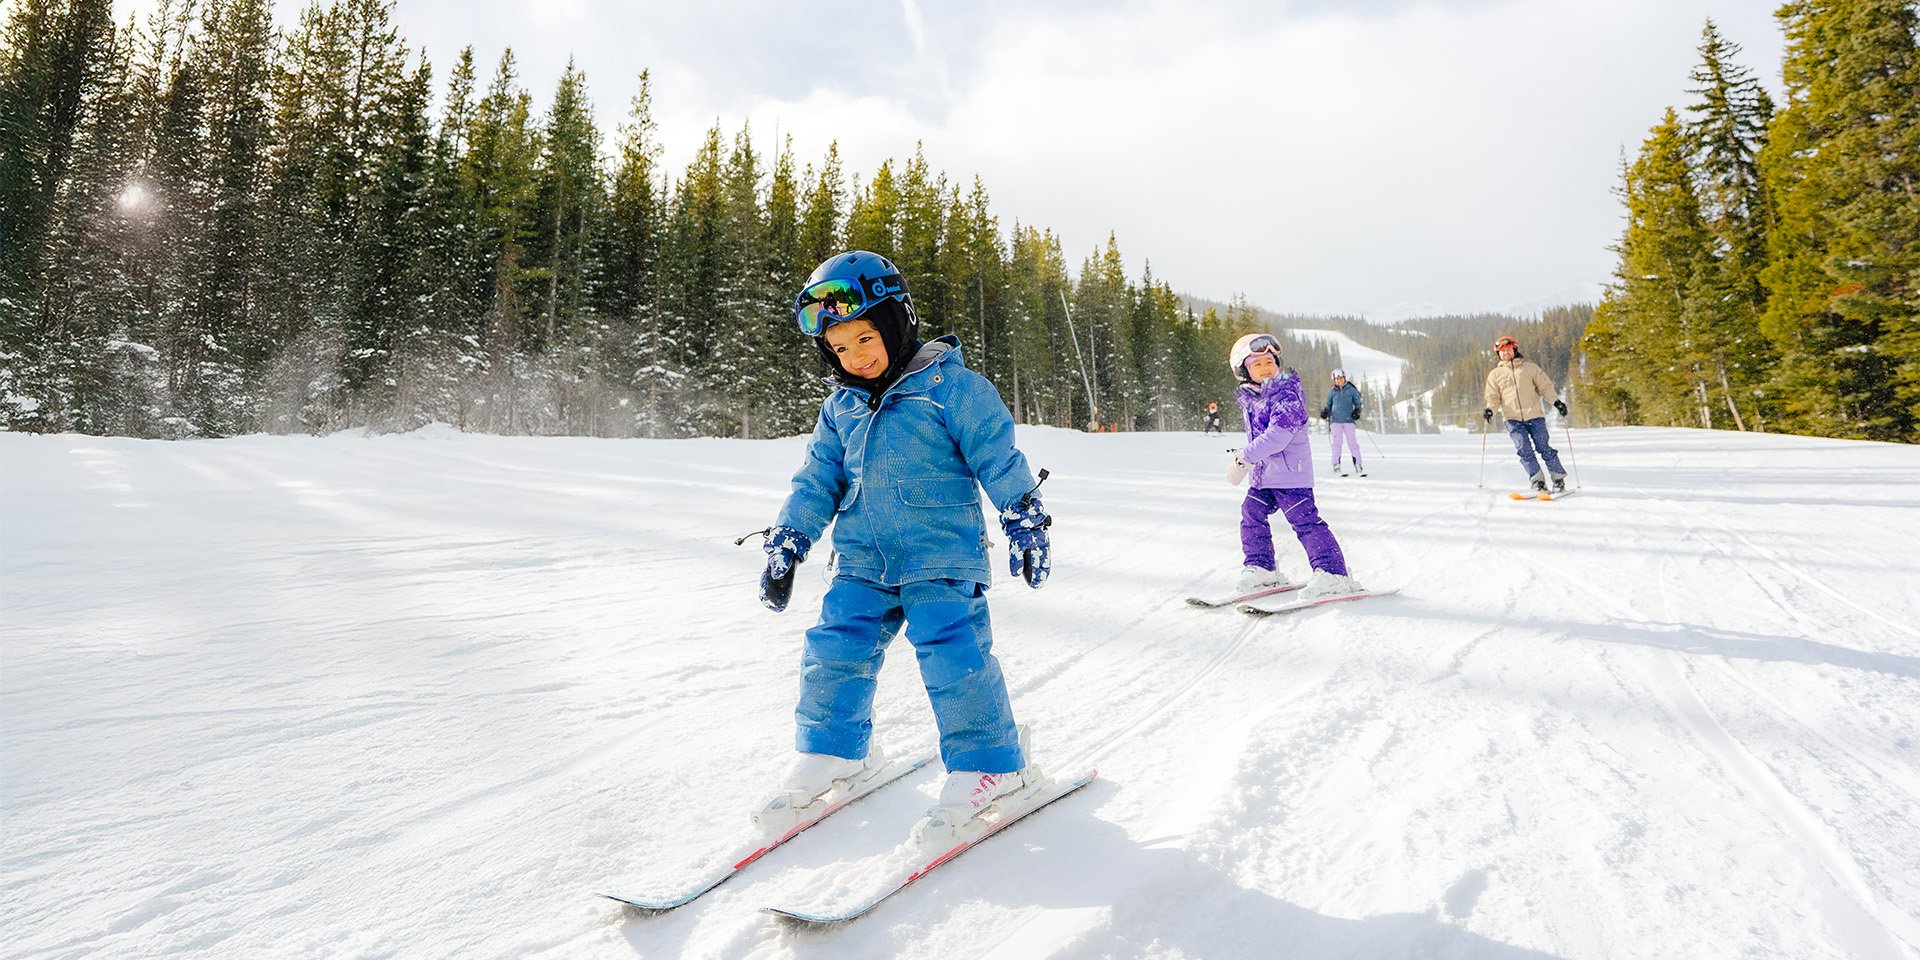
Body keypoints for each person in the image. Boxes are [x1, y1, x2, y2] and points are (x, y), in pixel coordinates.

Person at [755, 250, 1052, 834]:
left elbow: (997, 456)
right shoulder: (840, 408)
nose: (855, 358)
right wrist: (790, 538)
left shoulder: (954, 389)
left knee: (953, 654)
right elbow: (818, 479)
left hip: (940, 555)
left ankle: (992, 766)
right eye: (839, 349)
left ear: (896, 322)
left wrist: (1024, 516)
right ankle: (838, 749)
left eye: (865, 339)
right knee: (834, 646)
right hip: (862, 560)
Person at [1226, 333, 1362, 599]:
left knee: (1305, 521)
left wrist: (1244, 458)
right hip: (1265, 478)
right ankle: (1262, 568)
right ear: (1244, 371)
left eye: (1269, 362)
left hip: (1292, 476)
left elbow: (1278, 437)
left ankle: (1334, 573)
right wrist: (1250, 463)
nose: (1266, 369)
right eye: (1257, 365)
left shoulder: (1287, 395)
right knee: (1251, 513)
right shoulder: (1253, 400)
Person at [1482, 335, 1569, 493]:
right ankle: (1538, 481)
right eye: (1501, 351)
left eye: (1508, 350)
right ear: (1498, 354)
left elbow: (1546, 387)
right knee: (1524, 450)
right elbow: (1493, 397)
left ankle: (1558, 479)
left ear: (1514, 349)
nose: (1505, 353)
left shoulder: (1530, 368)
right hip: (1512, 419)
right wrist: (1490, 410)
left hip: (1535, 416)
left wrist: (1557, 403)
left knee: (1544, 447)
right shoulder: (1495, 374)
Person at [1320, 368, 1366, 477]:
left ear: (1344, 378)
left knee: (1352, 443)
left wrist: (1357, 411)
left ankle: (1358, 463)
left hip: (1349, 421)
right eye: (1336, 379)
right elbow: (1328, 405)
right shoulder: (1331, 392)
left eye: (1340, 378)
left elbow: (1358, 402)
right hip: (1335, 421)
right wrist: (1325, 412)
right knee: (1337, 443)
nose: (1339, 381)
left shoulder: (1351, 390)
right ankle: (1336, 464)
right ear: (1334, 380)